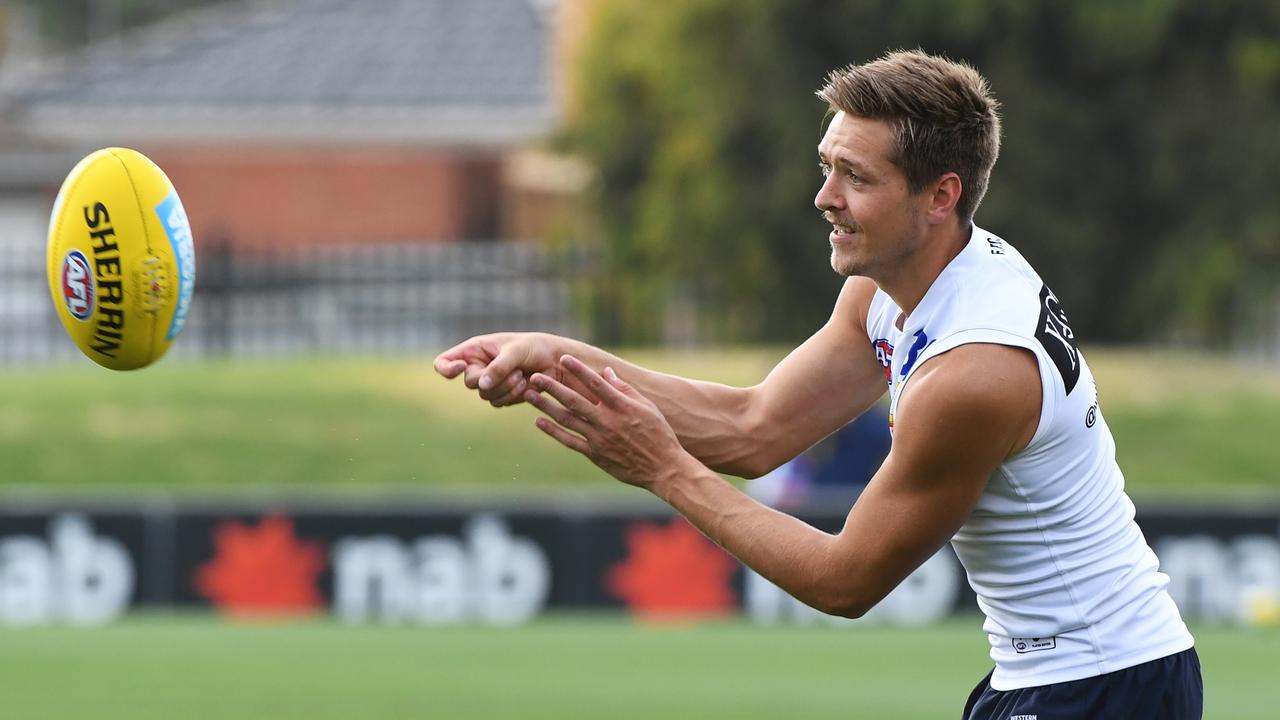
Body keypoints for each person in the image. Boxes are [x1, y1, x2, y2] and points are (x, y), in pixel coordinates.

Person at [434, 50, 1201, 719]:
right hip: (1048, 678)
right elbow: (754, 427)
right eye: (826, 166)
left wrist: (663, 469)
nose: (824, 197)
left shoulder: (974, 374)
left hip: (1105, 683)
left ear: (940, 195)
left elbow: (846, 582)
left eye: (855, 177)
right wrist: (558, 357)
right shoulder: (892, 291)